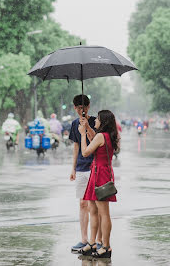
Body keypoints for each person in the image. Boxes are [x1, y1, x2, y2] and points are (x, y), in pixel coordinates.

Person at [79, 110, 119, 259]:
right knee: (93, 210)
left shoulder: (101, 136)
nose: (95, 121)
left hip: (100, 175)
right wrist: (87, 128)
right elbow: (94, 138)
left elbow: (85, 152)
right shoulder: (107, 136)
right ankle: (93, 242)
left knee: (103, 212)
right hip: (99, 173)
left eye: (97, 119)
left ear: (103, 122)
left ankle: (106, 246)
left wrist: (83, 134)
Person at [69, 94, 101, 253]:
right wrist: (73, 168)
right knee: (82, 203)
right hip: (81, 167)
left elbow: (96, 140)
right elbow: (76, 147)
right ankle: (83, 239)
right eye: (79, 108)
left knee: (94, 204)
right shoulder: (74, 123)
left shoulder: (96, 121)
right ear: (75, 108)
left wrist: (87, 127)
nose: (82, 110)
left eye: (84, 107)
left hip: (95, 166)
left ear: (88, 107)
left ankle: (96, 240)